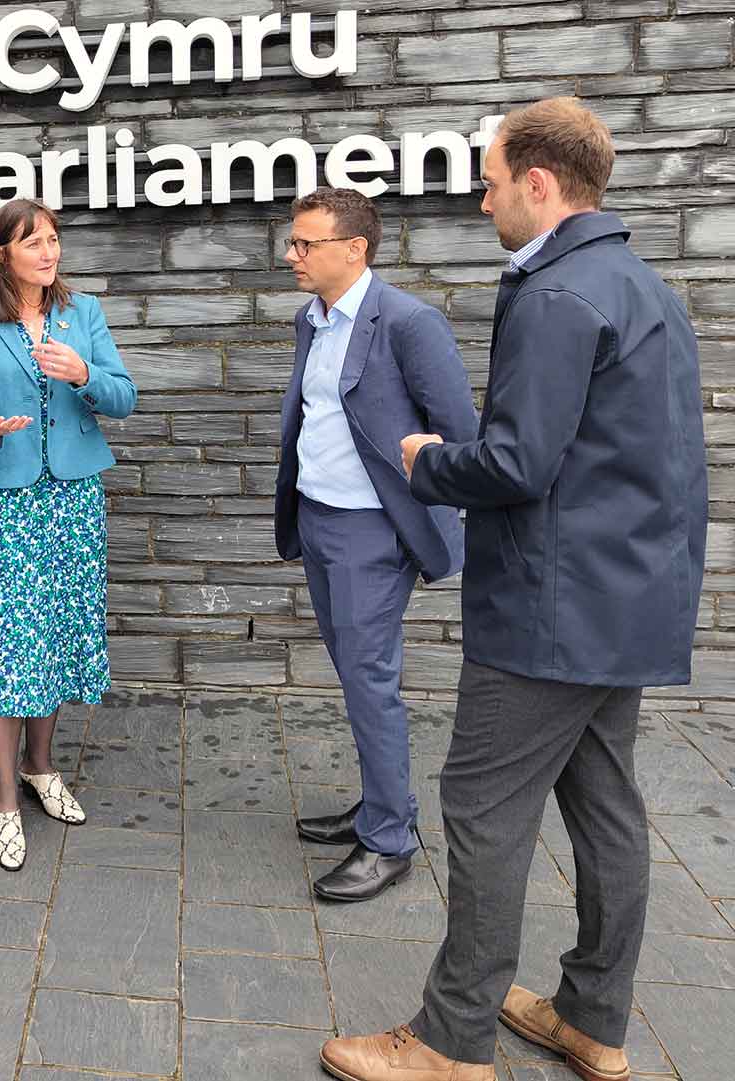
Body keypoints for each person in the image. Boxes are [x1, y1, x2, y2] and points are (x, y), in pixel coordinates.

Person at [321, 98, 707, 1081]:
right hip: (622, 600)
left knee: (483, 809)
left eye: (490, 182)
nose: (484, 199)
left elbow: (519, 462)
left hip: (549, 610)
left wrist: (425, 459)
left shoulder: (554, 293)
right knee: (607, 808)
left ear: (538, 183)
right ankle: (593, 1018)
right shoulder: (644, 288)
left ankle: (449, 1043)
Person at [273, 187, 478, 903]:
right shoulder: (314, 318)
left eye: (305, 244)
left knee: (370, 682)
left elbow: (459, 431)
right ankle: (379, 805)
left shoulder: (408, 323)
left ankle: (390, 838)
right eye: (293, 242)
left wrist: (425, 504)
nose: (291, 255)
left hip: (373, 532)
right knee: (355, 674)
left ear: (354, 249)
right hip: (322, 518)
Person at [0, 198, 137, 870]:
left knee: (56, 628)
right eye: (33, 243)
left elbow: (125, 395)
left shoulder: (82, 315)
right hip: (2, 498)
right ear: (3, 253)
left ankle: (41, 765)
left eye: (53, 239)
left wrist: (85, 374)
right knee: (7, 638)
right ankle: (2, 798)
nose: (48, 253)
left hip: (73, 494)